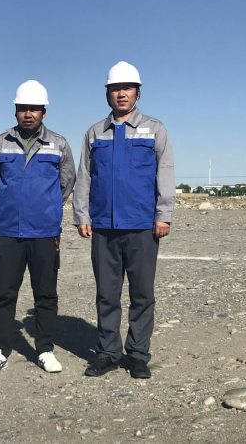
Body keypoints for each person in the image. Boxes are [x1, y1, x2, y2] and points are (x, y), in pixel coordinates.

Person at [73, 61, 176, 379]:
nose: (121, 93)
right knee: (107, 294)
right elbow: (84, 176)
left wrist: (164, 214)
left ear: (138, 93)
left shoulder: (155, 129)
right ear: (107, 93)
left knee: (142, 295)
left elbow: (165, 172)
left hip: (143, 226)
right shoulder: (94, 133)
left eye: (127, 88)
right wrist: (82, 214)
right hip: (104, 227)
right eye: (115, 89)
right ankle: (108, 353)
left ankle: (138, 355)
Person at [0, 80, 76, 375]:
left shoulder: (59, 144)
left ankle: (45, 350)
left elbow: (66, 183)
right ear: (15, 110)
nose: (28, 113)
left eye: (34, 108)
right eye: (23, 108)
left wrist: (45, 208)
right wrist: (13, 206)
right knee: (5, 294)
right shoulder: (0, 143)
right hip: (9, 233)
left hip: (45, 233)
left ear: (44, 112)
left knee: (45, 295)